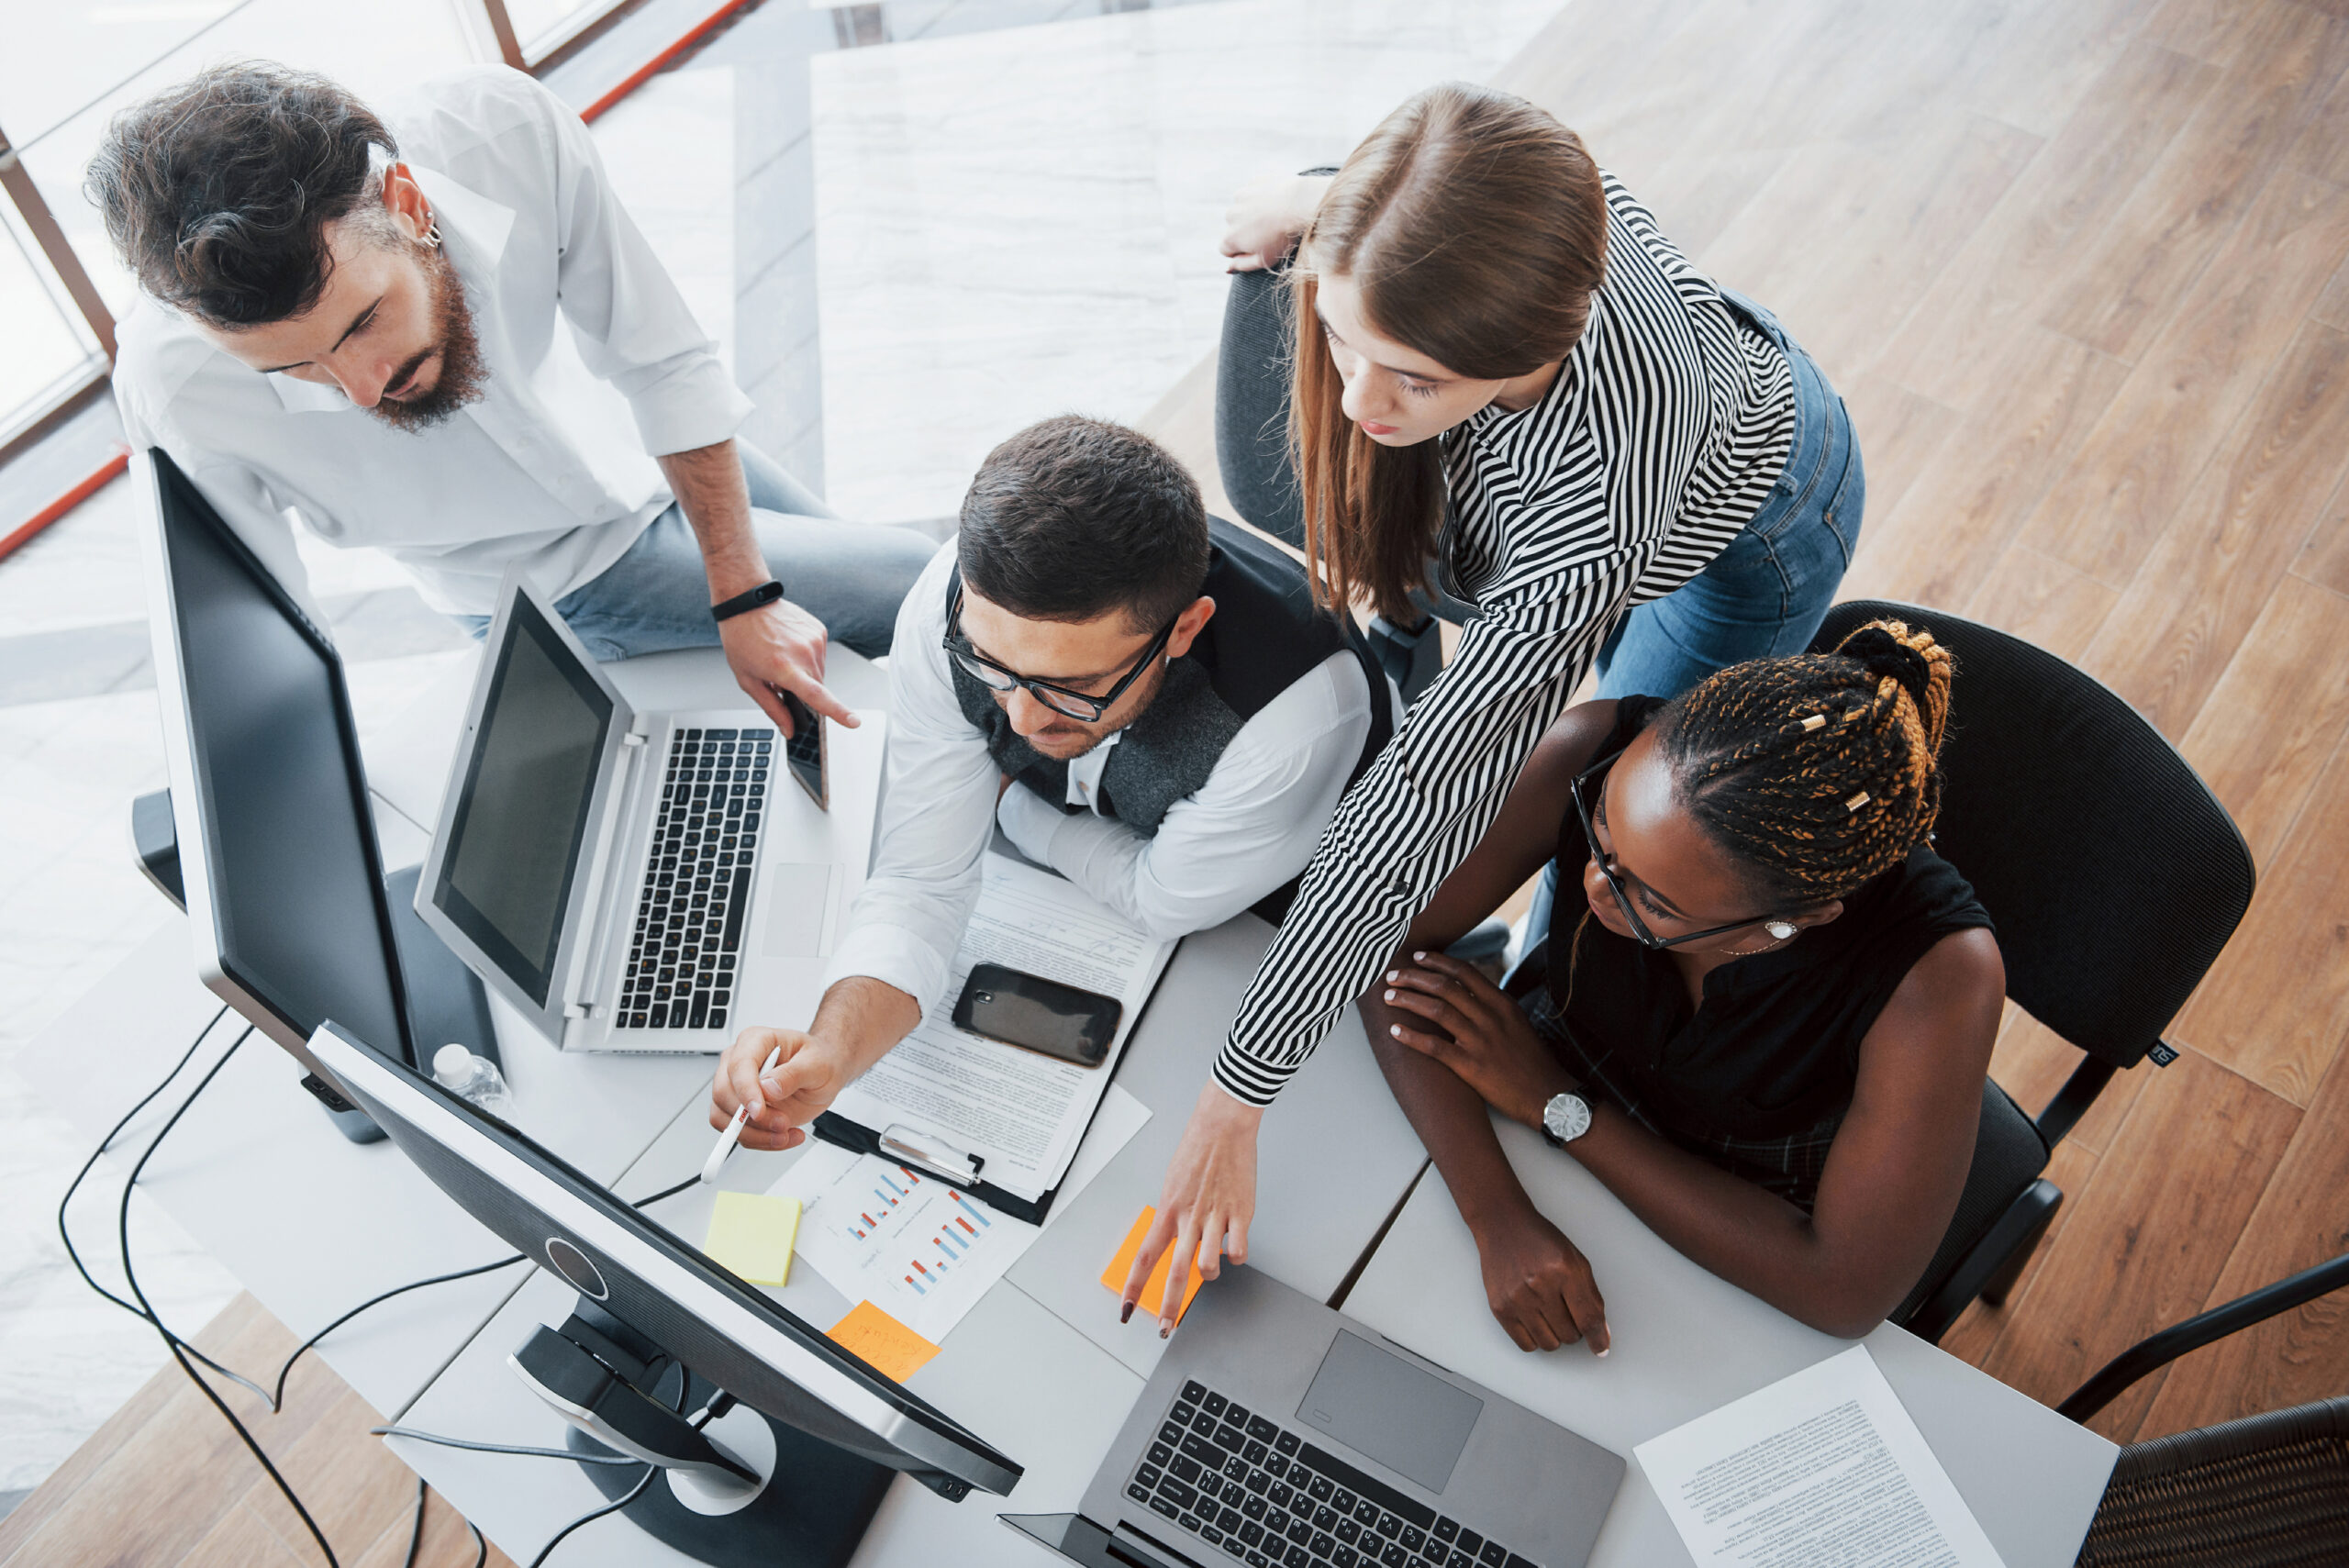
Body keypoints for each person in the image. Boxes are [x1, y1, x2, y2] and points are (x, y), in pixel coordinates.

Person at [1126, 82, 1868, 1329]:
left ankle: (1548, 1015)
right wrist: (1311, 213)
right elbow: (1406, 210)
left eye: (1410, 378)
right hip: (1675, 365)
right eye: (1344, 337)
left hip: (1751, 517)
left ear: (1533, 343)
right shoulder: (1486, 167)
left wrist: (1233, 1098)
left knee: (1625, 831)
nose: (1362, 401)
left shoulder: (1582, 521)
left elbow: (1419, 802)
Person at [90, 62, 932, 737]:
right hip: (552, 582)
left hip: (642, 453)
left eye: (362, 324)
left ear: (409, 205)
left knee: (929, 614)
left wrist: (744, 595)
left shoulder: (504, 133)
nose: (359, 388)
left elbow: (661, 358)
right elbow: (267, 629)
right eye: (291, 370)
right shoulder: (175, 389)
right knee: (926, 593)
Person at [707, 416, 1390, 1151]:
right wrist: (833, 1050)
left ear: (1185, 630)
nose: (1022, 717)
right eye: (991, 664)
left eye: (1074, 685)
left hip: (1285, 905)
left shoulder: (1293, 722)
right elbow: (920, 881)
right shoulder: (955, 603)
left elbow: (1161, 899)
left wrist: (1011, 805)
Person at [1364, 622, 2001, 1347]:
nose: (1593, 887)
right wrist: (1497, 1213)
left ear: (1794, 921)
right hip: (1524, 1106)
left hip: (1740, 1227)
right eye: (1601, 829)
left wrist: (1560, 1106)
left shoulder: (1938, 976)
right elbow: (1377, 943)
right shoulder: (1592, 747)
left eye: (1654, 903)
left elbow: (1841, 1288)